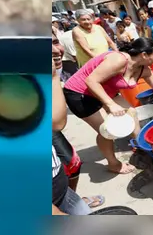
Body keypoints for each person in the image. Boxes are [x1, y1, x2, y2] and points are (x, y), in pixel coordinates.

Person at [63, 39, 153, 174]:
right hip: (80, 93)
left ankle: (143, 147)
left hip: (104, 91)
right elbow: (91, 81)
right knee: (107, 130)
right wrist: (111, 105)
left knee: (132, 113)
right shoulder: (118, 59)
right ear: (144, 55)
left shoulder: (144, 70)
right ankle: (113, 164)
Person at [53, 40, 93, 215]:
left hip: (60, 190)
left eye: (55, 41)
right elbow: (56, 122)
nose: (56, 50)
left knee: (73, 163)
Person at [53, 17, 79, 82]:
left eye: (55, 42)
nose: (56, 50)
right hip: (68, 62)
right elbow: (75, 56)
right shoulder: (69, 38)